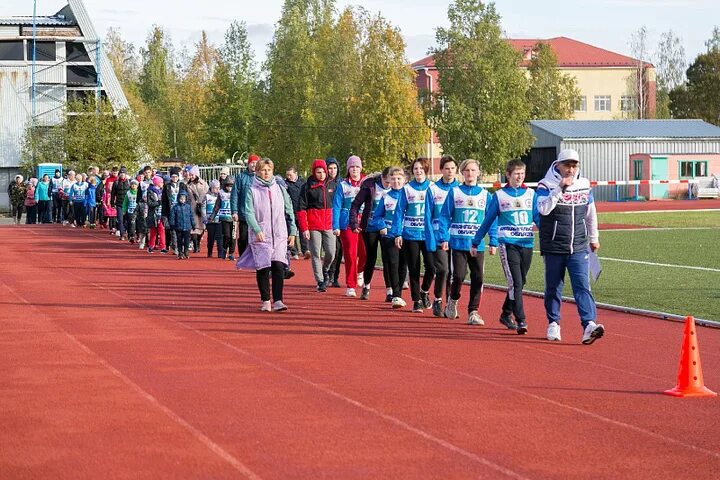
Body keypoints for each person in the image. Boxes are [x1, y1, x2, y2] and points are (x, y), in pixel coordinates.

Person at [536, 148, 604, 344]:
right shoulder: (545, 185)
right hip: (554, 245)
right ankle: (553, 323)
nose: (571, 170)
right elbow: (543, 209)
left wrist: (594, 237)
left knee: (582, 285)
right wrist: (559, 188)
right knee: (554, 286)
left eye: (574, 165)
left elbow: (591, 213)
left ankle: (589, 324)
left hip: (579, 245)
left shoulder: (584, 184)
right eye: (567, 165)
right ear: (558, 165)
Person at [472, 159, 539, 334]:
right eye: (516, 173)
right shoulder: (499, 196)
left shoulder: (531, 194)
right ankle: (521, 320)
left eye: (522, 173)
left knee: (520, 281)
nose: (520, 177)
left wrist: (548, 234)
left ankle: (505, 313)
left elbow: (537, 218)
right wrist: (476, 240)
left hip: (527, 243)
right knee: (515, 282)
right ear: (508, 175)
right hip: (508, 245)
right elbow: (488, 220)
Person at [438, 158, 497, 325]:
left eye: (473, 170)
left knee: (478, 278)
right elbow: (444, 216)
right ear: (462, 173)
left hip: (477, 245)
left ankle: (473, 312)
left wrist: (493, 241)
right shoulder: (455, 192)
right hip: (458, 243)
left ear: (478, 173)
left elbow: (491, 219)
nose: (470, 173)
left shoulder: (486, 195)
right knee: (458, 276)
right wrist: (444, 238)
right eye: (467, 170)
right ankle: (453, 300)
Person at [236, 158, 297, 312]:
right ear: (257, 172)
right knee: (263, 267)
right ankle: (265, 300)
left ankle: (278, 300)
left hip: (279, 232)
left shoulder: (280, 188)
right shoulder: (252, 190)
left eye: (269, 170)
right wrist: (257, 229)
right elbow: (248, 213)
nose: (266, 172)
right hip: (261, 234)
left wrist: (293, 231)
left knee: (278, 266)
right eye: (263, 170)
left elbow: (289, 210)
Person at [391, 157, 436, 313]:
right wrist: (397, 233)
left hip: (428, 235)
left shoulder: (433, 187)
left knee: (432, 267)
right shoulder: (407, 189)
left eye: (421, 169)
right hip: (410, 235)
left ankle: (424, 291)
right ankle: (416, 301)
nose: (418, 171)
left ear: (426, 170)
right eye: (415, 169)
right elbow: (398, 212)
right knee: (414, 268)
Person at [350, 167, 392, 300]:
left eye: (391, 183)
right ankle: (366, 286)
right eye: (387, 183)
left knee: (388, 259)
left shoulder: (397, 188)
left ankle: (390, 291)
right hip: (370, 227)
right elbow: (355, 205)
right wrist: (354, 223)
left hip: (387, 227)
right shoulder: (370, 186)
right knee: (371, 257)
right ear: (382, 178)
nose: (389, 185)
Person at [425, 155, 460, 316]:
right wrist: (432, 239)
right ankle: (438, 299)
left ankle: (450, 305)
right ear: (441, 170)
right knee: (443, 270)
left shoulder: (460, 189)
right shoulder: (433, 189)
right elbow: (427, 216)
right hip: (439, 237)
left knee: (455, 274)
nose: (450, 171)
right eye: (447, 168)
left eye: (453, 168)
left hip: (457, 237)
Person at [370, 166, 408, 307]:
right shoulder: (386, 196)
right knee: (392, 264)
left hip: (405, 235)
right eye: (393, 179)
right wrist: (382, 226)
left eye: (399, 178)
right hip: (389, 236)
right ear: (389, 181)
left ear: (404, 180)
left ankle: (399, 293)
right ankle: (395, 294)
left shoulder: (408, 195)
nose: (396, 181)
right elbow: (377, 216)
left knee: (403, 265)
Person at [297, 159, 337, 292]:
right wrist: (304, 228)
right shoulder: (307, 186)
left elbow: (337, 206)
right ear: (314, 172)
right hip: (313, 225)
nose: (322, 175)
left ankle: (325, 270)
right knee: (315, 253)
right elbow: (301, 209)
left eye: (323, 172)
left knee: (331, 252)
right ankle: (320, 280)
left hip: (329, 224)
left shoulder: (332, 185)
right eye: (318, 172)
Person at [332, 155, 367, 297]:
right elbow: (336, 206)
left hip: (364, 222)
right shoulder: (343, 185)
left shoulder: (367, 183)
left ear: (361, 168)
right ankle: (350, 285)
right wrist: (335, 226)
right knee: (351, 254)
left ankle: (360, 271)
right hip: (347, 224)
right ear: (348, 169)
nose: (355, 169)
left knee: (365, 253)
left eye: (357, 166)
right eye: (352, 167)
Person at [231, 154, 260, 258]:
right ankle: (243, 257)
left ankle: (256, 258)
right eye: (252, 163)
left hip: (258, 214)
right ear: (248, 164)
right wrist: (234, 211)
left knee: (257, 237)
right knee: (243, 237)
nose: (253, 165)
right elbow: (234, 194)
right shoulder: (241, 177)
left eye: (256, 163)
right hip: (244, 213)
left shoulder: (260, 177)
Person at [325, 157, 343, 287]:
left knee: (339, 250)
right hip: (327, 221)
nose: (332, 171)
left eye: (334, 168)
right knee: (331, 250)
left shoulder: (341, 183)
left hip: (341, 220)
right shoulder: (324, 184)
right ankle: (326, 274)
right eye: (330, 168)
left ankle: (335, 276)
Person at [285, 166, 309, 259]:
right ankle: (294, 252)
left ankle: (305, 250)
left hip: (301, 211)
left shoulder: (303, 183)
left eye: (290, 175)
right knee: (292, 231)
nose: (289, 177)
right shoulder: (286, 184)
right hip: (291, 211)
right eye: (287, 175)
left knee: (303, 231)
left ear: (295, 174)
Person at [184, 165, 209, 254]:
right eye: (190, 175)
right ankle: (196, 245)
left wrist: (201, 201)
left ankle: (197, 242)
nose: (191, 176)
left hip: (202, 207)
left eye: (192, 175)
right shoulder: (188, 185)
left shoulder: (204, 184)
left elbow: (207, 193)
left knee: (202, 228)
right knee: (193, 228)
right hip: (192, 207)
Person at [169, 190, 195, 259]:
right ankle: (180, 252)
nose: (182, 200)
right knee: (179, 240)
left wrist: (193, 224)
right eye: (181, 199)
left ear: (186, 199)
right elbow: (172, 217)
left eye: (184, 199)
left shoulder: (188, 207)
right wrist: (172, 225)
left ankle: (186, 251)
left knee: (187, 240)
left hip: (187, 226)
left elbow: (191, 216)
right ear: (178, 198)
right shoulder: (175, 207)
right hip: (178, 226)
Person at [162, 167, 183, 253]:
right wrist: (164, 213)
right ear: (170, 177)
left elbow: (187, 199)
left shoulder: (182, 186)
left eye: (176, 177)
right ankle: (175, 247)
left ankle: (180, 245)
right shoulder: (167, 187)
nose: (175, 178)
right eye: (173, 177)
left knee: (180, 230)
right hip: (170, 211)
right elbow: (164, 201)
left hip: (180, 210)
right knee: (173, 230)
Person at [204, 179, 225, 258]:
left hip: (219, 219)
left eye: (218, 188)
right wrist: (205, 218)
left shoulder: (221, 196)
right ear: (211, 188)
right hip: (210, 220)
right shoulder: (207, 196)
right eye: (214, 188)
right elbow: (203, 207)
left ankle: (220, 252)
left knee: (219, 237)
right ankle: (209, 251)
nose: (216, 190)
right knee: (211, 237)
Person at [146, 176, 167, 253]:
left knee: (162, 230)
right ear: (157, 183)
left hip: (161, 214)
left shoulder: (163, 191)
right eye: (161, 182)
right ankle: (151, 246)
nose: (162, 184)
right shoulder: (150, 192)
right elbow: (150, 203)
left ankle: (163, 247)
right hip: (153, 214)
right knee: (153, 231)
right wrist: (158, 202)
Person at [111, 167, 131, 239]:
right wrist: (112, 203)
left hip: (128, 204)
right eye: (121, 173)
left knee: (128, 220)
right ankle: (122, 234)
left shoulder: (129, 182)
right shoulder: (116, 183)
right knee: (120, 219)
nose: (122, 175)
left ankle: (126, 231)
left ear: (126, 174)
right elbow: (113, 194)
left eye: (124, 173)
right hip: (119, 204)